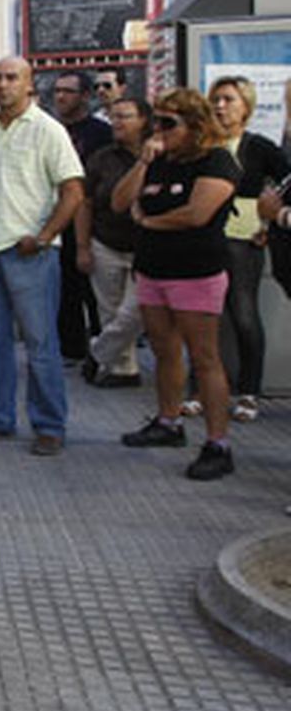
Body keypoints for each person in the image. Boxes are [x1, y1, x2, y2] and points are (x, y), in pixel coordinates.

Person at [113, 88, 241, 480]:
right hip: (154, 271)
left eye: (169, 123)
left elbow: (198, 213)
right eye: (157, 121)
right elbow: (119, 202)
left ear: (195, 125)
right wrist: (143, 163)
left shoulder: (217, 161)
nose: (159, 130)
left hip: (196, 272)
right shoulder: (158, 159)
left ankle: (218, 442)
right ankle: (168, 422)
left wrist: (149, 221)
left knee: (204, 358)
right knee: (165, 351)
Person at [0, 57, 84, 456]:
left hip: (29, 252)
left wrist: (46, 235)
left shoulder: (48, 131)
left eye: (11, 78)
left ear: (29, 84)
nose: (2, 85)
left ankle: (49, 424)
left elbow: (73, 191)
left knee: (40, 343)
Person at [209, 76, 290, 423]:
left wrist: (270, 222)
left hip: (244, 240)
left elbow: (285, 183)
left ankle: (249, 392)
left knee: (243, 315)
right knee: (205, 319)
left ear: (247, 106)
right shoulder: (203, 145)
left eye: (229, 99)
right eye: (216, 99)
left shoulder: (259, 146)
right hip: (204, 241)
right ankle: (202, 390)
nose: (220, 106)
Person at [75, 97, 151, 388]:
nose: (117, 122)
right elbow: (85, 202)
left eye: (125, 116)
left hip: (145, 247)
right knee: (109, 310)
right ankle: (123, 370)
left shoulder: (160, 154)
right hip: (105, 242)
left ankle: (98, 353)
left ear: (143, 119)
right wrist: (83, 246)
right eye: (113, 116)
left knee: (134, 312)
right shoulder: (102, 158)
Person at [50, 71, 112, 364]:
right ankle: (71, 349)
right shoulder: (49, 130)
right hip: (56, 219)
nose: (61, 97)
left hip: (92, 219)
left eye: (68, 91)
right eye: (57, 91)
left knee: (95, 291)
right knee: (65, 289)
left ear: (85, 96)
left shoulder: (101, 133)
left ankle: (103, 349)